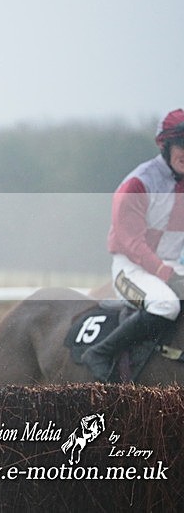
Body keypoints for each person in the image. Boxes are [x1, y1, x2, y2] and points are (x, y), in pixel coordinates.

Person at [82, 108, 184, 381]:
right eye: (181, 145)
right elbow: (131, 242)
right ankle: (100, 353)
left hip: (171, 267)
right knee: (166, 305)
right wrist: (164, 272)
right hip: (131, 268)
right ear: (165, 146)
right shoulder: (139, 183)